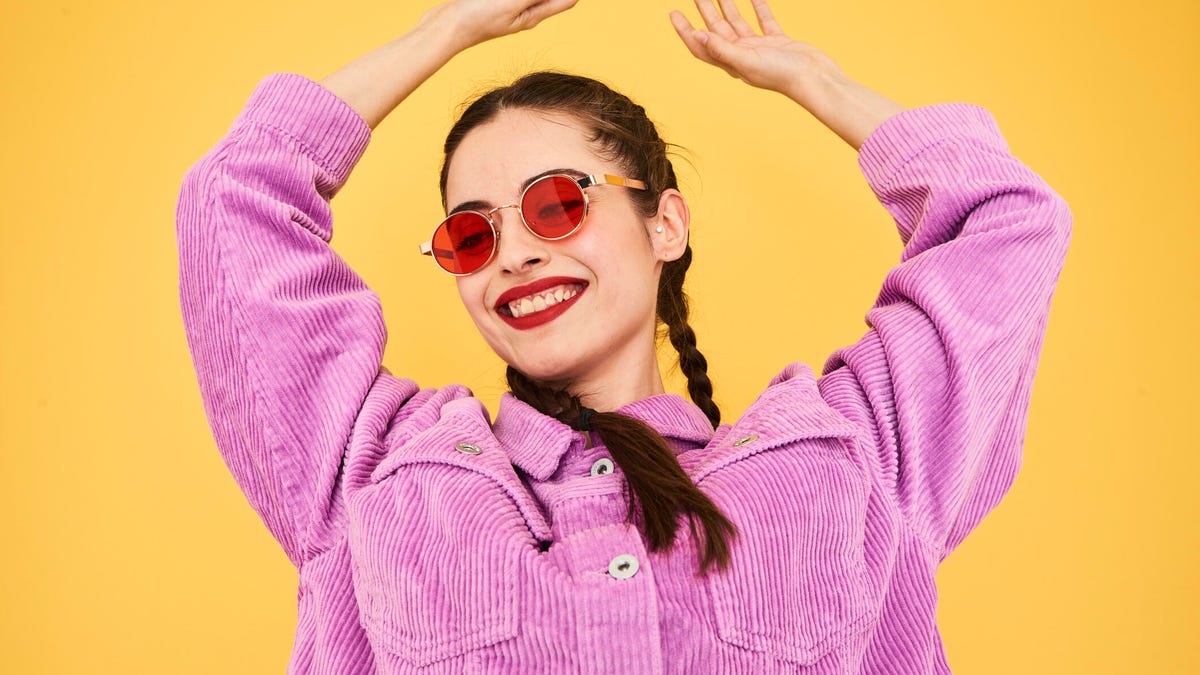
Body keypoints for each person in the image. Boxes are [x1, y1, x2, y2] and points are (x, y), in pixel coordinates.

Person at [175, 0, 1072, 672]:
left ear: (664, 226)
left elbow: (1006, 224)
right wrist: (443, 31)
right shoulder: (371, 477)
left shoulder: (849, 465)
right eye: (472, 234)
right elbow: (234, 199)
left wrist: (815, 79)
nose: (516, 254)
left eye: (556, 203)